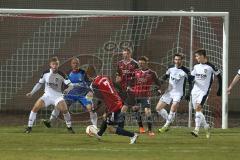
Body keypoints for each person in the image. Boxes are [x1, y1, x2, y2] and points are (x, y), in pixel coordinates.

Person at [87, 65, 138, 144]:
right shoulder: (105, 77)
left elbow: (101, 98)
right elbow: (116, 87)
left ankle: (132, 135)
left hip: (113, 106)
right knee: (107, 120)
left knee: (111, 128)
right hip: (117, 101)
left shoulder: (94, 84)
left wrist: (95, 109)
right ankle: (99, 134)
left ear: (88, 76)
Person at [42, 57, 97, 128]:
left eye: (77, 63)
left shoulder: (83, 73)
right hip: (71, 94)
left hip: (83, 94)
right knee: (58, 106)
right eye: (74, 63)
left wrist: (90, 92)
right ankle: (50, 122)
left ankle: (95, 127)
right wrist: (65, 90)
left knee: (91, 108)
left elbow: (90, 83)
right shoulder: (68, 74)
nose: (75, 64)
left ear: (79, 64)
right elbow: (65, 84)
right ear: (71, 64)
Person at [25, 56, 75, 133]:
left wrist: (67, 90)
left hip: (58, 97)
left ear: (58, 65)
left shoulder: (62, 74)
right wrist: (31, 92)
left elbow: (71, 85)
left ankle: (69, 128)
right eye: (53, 64)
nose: (55, 66)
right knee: (35, 108)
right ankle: (29, 127)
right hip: (47, 96)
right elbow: (39, 84)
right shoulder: (45, 73)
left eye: (56, 64)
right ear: (50, 65)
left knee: (65, 110)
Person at [156, 53, 192, 133]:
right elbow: (165, 77)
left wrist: (189, 93)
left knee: (173, 107)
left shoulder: (186, 71)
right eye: (176, 59)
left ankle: (165, 126)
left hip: (178, 93)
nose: (177, 61)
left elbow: (191, 83)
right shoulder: (170, 68)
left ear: (182, 60)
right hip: (169, 91)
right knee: (158, 108)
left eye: (179, 59)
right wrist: (159, 85)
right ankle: (169, 121)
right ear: (174, 60)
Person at [190, 48, 222, 138]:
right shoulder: (196, 67)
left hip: (204, 92)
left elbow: (219, 77)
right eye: (196, 56)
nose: (196, 58)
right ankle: (206, 127)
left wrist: (220, 89)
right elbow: (191, 78)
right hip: (195, 91)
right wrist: (188, 91)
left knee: (198, 108)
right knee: (197, 111)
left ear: (203, 56)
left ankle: (196, 130)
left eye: (197, 56)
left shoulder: (211, 67)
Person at [129, 56, 161, 136]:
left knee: (148, 111)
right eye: (139, 63)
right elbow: (131, 82)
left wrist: (158, 89)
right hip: (136, 94)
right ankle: (141, 127)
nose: (140, 65)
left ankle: (150, 130)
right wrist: (129, 87)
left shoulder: (152, 73)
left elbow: (158, 84)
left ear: (147, 63)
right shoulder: (135, 72)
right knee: (135, 109)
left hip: (145, 95)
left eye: (142, 63)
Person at [115, 48, 139, 128]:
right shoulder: (119, 63)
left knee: (130, 107)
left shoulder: (135, 64)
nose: (125, 55)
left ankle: (140, 126)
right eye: (124, 53)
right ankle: (121, 126)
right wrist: (117, 81)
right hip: (122, 88)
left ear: (130, 54)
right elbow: (118, 75)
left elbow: (138, 76)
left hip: (132, 88)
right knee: (127, 106)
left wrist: (133, 86)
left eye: (127, 53)